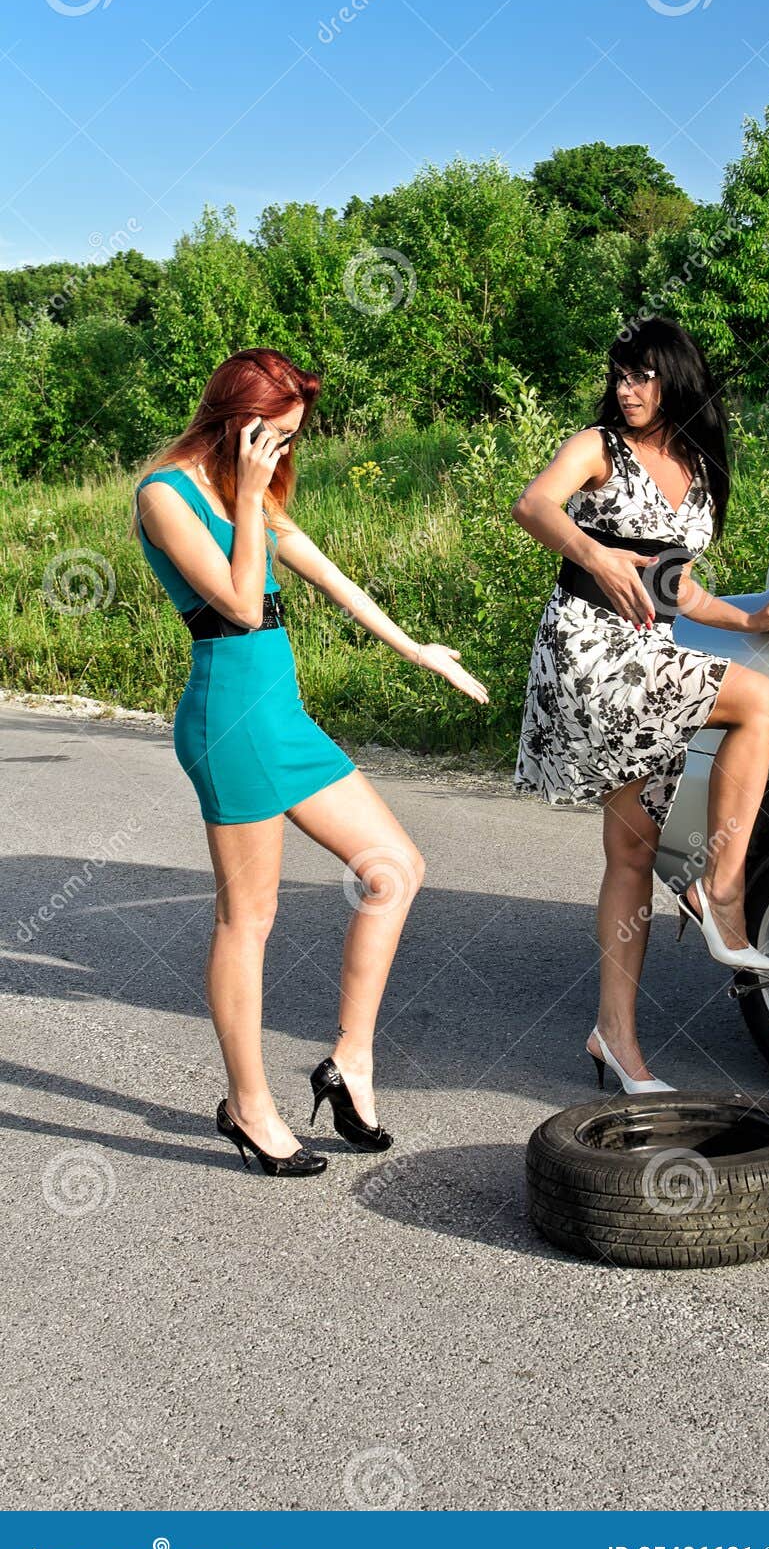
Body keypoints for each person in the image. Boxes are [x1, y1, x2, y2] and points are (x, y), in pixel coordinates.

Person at [130, 348, 488, 1176]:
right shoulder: (167, 494)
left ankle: (348, 1062)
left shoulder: (239, 480)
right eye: (275, 437)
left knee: (394, 866)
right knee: (248, 921)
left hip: (283, 719)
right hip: (232, 722)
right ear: (234, 422)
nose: (284, 453)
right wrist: (251, 498)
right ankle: (248, 1106)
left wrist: (416, 649)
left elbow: (323, 571)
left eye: (292, 440)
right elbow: (243, 604)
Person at [511, 317, 769, 1095]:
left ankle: (614, 1039)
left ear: (677, 378)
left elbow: (673, 585)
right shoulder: (599, 446)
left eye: (643, 375)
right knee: (759, 701)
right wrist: (592, 553)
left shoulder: (698, 463)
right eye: (619, 374)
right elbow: (534, 505)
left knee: (632, 855)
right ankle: (719, 888)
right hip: (589, 648)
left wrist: (751, 619)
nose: (627, 388)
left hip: (647, 651)